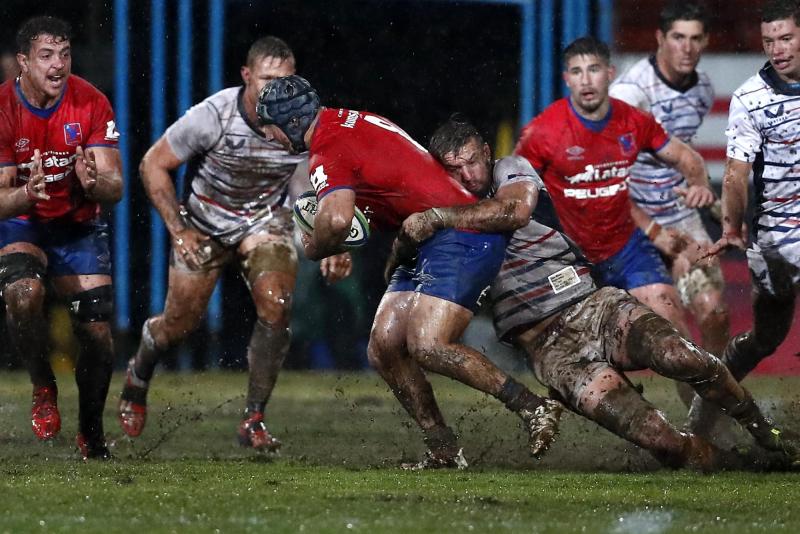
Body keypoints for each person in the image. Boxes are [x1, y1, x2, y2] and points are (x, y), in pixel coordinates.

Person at [399, 114, 798, 470]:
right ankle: (743, 464)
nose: (468, 175)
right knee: (663, 443)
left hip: (594, 306)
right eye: (455, 169)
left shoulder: (509, 170)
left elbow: (515, 212)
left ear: (486, 152)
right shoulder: (437, 230)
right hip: (550, 350)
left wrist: (437, 217)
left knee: (679, 355)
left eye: (472, 161)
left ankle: (768, 436)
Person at [257, 75, 562, 468]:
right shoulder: (342, 121)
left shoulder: (326, 147)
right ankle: (443, 449)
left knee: (429, 344)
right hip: (424, 235)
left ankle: (534, 407)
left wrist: (315, 244)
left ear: (292, 124)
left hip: (459, 232)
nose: (270, 138)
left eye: (271, 130)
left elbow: (334, 223)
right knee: (383, 346)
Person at [117, 37, 352, 451]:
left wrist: (334, 242)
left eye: (286, 79)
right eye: (267, 79)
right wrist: (178, 229)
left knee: (277, 306)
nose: (277, 89)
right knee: (178, 326)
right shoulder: (215, 114)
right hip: (205, 222)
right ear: (246, 76)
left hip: (265, 221)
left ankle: (253, 419)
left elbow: (322, 185)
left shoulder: (303, 119)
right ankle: (139, 370)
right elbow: (153, 163)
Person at [515, 36, 716, 345]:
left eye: (593, 69)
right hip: (570, 257)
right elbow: (510, 185)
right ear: (566, 79)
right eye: (577, 72)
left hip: (626, 247)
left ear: (610, 74)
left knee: (670, 322)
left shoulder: (633, 121)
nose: (586, 80)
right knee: (578, 351)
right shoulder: (543, 132)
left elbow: (687, 158)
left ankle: (702, 394)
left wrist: (699, 185)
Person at [0, 16, 123, 459]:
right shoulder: (2, 109)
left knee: (97, 333)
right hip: (23, 223)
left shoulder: (90, 101)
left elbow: (116, 185)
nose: (58, 65)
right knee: (23, 293)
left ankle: (91, 432)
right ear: (23, 63)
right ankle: (42, 384)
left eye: (65, 54)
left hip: (77, 225)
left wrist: (94, 183)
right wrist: (25, 194)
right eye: (47, 56)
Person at [610, 1, 730, 358]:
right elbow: (610, 175)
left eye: (695, 38)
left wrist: (700, 187)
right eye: (678, 37)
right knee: (675, 339)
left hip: (678, 212)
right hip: (631, 220)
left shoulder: (702, 90)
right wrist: (660, 237)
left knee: (717, 316)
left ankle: (705, 412)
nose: (687, 48)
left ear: (706, 41)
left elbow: (683, 151)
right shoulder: (630, 94)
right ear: (660, 38)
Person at [703, 1, 800, 395]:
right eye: (769, 41)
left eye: (786, 38)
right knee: (767, 338)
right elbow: (735, 175)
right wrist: (730, 227)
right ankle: (705, 412)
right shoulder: (750, 99)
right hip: (777, 238)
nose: (777, 48)